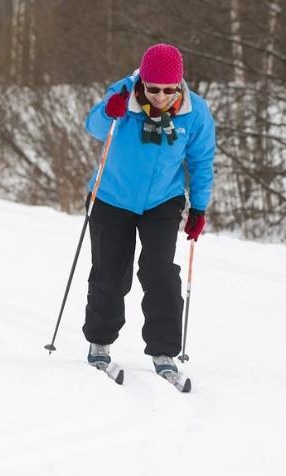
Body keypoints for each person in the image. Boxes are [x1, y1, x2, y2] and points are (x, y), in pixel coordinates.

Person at [82, 43, 215, 377]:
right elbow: (94, 128)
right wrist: (108, 111)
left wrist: (199, 208)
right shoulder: (124, 96)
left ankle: (165, 350)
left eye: (169, 89)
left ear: (179, 84)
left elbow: (201, 162)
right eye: (153, 88)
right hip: (112, 196)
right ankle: (99, 341)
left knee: (160, 273)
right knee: (110, 272)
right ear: (143, 82)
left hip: (162, 201)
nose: (160, 96)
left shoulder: (195, 112)